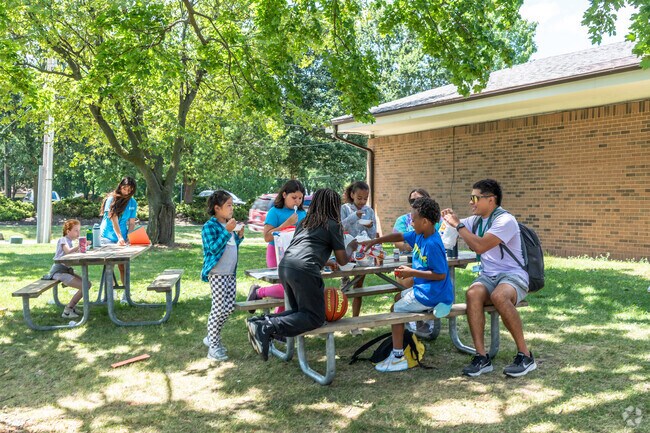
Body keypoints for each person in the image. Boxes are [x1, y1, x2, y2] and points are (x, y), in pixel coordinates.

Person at [441, 179, 536, 378]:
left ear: (490, 200)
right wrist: (444, 219)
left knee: (499, 296)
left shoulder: (505, 220)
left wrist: (457, 225)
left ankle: (525, 356)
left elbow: (480, 246)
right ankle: (482, 357)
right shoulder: (476, 221)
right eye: (471, 198)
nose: (471, 202)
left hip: (513, 275)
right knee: (472, 293)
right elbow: (448, 228)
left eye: (475, 198)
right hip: (488, 275)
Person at [246, 188, 351, 361]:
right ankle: (267, 326)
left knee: (298, 312)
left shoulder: (305, 222)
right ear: (334, 206)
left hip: (286, 265)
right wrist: (351, 248)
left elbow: (302, 246)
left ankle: (261, 322)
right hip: (305, 269)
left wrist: (324, 260)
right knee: (315, 317)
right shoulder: (333, 224)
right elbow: (343, 260)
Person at [360, 197, 453, 372]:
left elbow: (440, 274)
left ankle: (397, 357)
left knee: (395, 310)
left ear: (424, 221)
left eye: (413, 219)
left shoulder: (433, 243)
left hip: (429, 292)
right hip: (427, 290)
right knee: (397, 297)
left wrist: (411, 272)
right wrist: (375, 241)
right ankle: (436, 306)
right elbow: (400, 235)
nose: (410, 221)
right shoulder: (419, 234)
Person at [246, 180, 307, 313]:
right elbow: (267, 237)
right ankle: (259, 292)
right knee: (287, 289)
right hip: (276, 253)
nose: (297, 201)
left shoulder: (303, 214)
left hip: (295, 255)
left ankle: (279, 325)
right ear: (284, 195)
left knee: (294, 291)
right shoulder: (275, 212)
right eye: (294, 198)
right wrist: (286, 224)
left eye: (300, 198)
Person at [201, 190, 245, 361]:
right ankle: (213, 346)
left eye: (232, 205)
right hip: (218, 274)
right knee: (218, 308)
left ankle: (211, 336)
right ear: (217, 208)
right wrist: (227, 231)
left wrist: (238, 237)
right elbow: (213, 249)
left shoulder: (229, 226)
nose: (232, 208)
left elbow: (231, 245)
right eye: (229, 205)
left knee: (228, 307)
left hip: (230, 273)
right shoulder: (209, 227)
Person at [392, 188, 438, 338]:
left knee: (415, 283)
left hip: (426, 263)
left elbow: (440, 273)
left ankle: (418, 325)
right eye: (412, 200)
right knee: (405, 285)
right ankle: (410, 327)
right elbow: (397, 239)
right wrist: (407, 246)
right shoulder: (403, 219)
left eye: (418, 200)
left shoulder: (434, 224)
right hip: (408, 260)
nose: (414, 203)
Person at [340, 181, 377, 334]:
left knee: (358, 288)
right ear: (352, 195)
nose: (362, 202)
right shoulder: (345, 208)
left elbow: (373, 235)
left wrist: (370, 226)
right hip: (346, 252)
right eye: (359, 198)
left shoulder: (369, 211)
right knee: (342, 292)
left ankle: (355, 324)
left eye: (365, 198)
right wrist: (354, 216)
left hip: (362, 253)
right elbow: (340, 226)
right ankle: (336, 319)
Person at [99, 176, 138, 293]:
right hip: (107, 237)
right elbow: (114, 220)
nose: (126, 192)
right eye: (124, 188)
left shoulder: (132, 202)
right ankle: (110, 293)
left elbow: (131, 223)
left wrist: (129, 237)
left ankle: (126, 295)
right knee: (110, 265)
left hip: (123, 237)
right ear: (120, 186)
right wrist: (119, 237)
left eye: (129, 190)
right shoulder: (111, 199)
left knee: (123, 266)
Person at [48, 219, 88, 319]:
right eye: (76, 230)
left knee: (87, 284)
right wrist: (80, 245)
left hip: (66, 271)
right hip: (58, 272)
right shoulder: (63, 240)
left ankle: (72, 307)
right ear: (68, 231)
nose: (78, 233)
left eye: (79, 230)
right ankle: (67, 311)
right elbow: (68, 252)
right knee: (85, 286)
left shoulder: (70, 241)